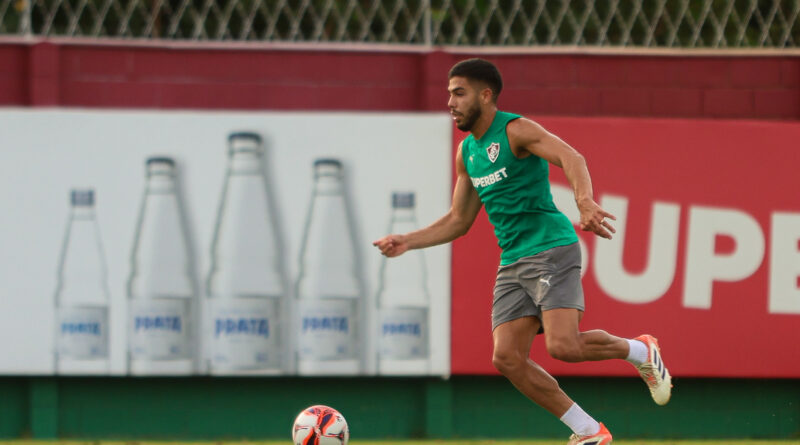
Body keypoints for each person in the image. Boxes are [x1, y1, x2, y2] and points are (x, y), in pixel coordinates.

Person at [372, 58, 671, 445]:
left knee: (563, 346)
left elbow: (572, 157)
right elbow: (459, 220)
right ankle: (589, 431)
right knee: (507, 357)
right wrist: (407, 241)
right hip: (512, 261)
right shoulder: (467, 152)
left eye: (459, 93)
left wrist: (584, 201)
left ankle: (640, 350)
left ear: (485, 95)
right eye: (449, 94)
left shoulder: (516, 130)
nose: (451, 102)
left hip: (551, 248)